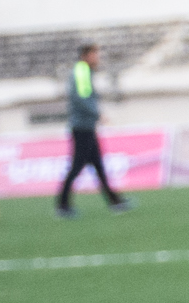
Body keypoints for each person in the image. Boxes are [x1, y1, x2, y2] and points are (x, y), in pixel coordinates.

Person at [54, 42, 131, 216]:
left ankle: (114, 201)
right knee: (77, 166)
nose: (98, 58)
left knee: (97, 165)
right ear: (86, 56)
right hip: (82, 127)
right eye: (95, 54)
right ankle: (62, 205)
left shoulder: (84, 71)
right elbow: (82, 98)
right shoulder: (81, 71)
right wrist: (97, 114)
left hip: (86, 127)